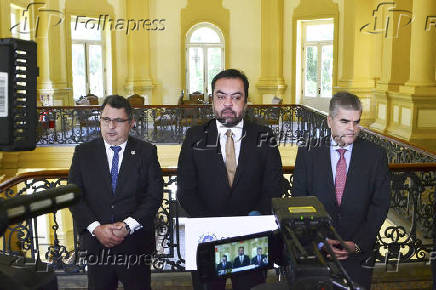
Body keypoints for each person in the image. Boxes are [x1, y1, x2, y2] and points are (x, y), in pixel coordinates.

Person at [177, 69, 283, 290]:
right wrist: (215, 227)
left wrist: (250, 221)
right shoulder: (195, 136)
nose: (228, 103)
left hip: (252, 239)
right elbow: (186, 190)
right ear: (212, 100)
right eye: (221, 96)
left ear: (246, 102)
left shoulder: (264, 136)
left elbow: (273, 187)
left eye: (236, 97)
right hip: (207, 240)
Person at [292, 91, 390, 290]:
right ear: (329, 121)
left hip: (358, 256)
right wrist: (320, 241)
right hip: (317, 253)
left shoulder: (375, 156)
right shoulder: (308, 152)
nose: (351, 129)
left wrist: (357, 244)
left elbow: (380, 205)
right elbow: (299, 201)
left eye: (356, 122)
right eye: (345, 121)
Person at [69, 95, 164, 290]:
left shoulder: (146, 152)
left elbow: (153, 195)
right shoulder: (83, 153)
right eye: (106, 120)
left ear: (131, 123)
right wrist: (96, 228)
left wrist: (128, 226)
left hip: (135, 244)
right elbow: (74, 197)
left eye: (118, 120)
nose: (111, 126)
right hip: (97, 244)